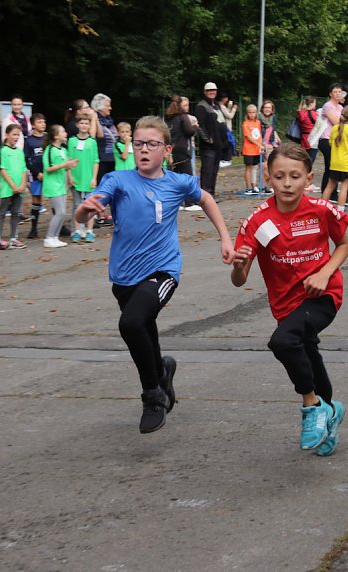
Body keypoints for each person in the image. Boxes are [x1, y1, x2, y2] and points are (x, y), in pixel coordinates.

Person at [74, 115, 235, 434]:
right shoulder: (118, 180)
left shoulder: (177, 183)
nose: (143, 149)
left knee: (132, 322)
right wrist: (85, 210)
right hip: (123, 275)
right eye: (137, 143)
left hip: (163, 271)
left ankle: (153, 396)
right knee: (142, 327)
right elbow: (85, 211)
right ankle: (161, 370)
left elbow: (205, 199)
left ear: (166, 149)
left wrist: (225, 237)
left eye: (151, 144)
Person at [230, 144, 348, 456]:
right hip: (286, 305)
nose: (287, 183)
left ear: (308, 178)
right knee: (308, 354)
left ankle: (312, 407)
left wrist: (324, 273)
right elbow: (239, 280)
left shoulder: (321, 210)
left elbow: (343, 245)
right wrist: (240, 265)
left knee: (283, 342)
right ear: (268, 177)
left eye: (295, 176)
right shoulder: (258, 222)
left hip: (322, 295)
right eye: (280, 176)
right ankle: (330, 414)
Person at [41, 124, 77, 248]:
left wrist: (70, 175)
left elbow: (66, 166)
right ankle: (49, 238)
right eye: (63, 132)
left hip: (61, 185)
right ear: (56, 136)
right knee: (60, 212)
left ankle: (55, 237)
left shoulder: (63, 150)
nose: (65, 133)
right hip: (52, 185)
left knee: (62, 212)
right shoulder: (50, 150)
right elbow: (49, 168)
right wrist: (64, 164)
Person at [0, 124, 28, 249]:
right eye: (14, 134)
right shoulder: (2, 151)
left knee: (16, 213)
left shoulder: (19, 152)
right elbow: (2, 169)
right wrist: (13, 185)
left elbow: (24, 169)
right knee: (2, 213)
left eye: (18, 135)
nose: (16, 137)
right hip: (8, 188)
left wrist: (22, 184)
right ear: (7, 135)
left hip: (19, 188)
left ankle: (13, 237)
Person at [67, 116, 100, 243]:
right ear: (77, 125)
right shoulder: (72, 141)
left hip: (88, 177)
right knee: (76, 205)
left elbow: (95, 161)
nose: (84, 125)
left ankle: (89, 230)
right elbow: (69, 159)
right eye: (82, 123)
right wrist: (70, 176)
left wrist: (94, 178)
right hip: (76, 177)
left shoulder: (92, 142)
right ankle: (77, 230)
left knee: (90, 205)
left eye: (87, 123)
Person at [194, 82, 227, 199]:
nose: (211, 92)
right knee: (207, 171)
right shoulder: (201, 107)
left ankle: (211, 194)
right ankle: (204, 196)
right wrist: (208, 140)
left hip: (218, 144)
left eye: (213, 90)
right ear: (204, 92)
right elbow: (200, 126)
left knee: (214, 170)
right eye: (209, 90)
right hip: (208, 146)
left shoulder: (216, 106)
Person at [323, 107, 348, 211]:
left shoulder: (334, 128)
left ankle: (322, 206)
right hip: (346, 163)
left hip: (334, 162)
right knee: (344, 186)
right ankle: (340, 209)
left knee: (330, 185)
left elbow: (330, 143)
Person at [318, 84, 345, 194]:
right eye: (335, 92)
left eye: (340, 91)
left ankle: (332, 191)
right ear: (330, 94)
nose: (338, 94)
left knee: (335, 166)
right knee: (329, 166)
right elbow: (336, 122)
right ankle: (326, 191)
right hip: (326, 139)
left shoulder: (340, 107)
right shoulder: (328, 106)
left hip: (337, 140)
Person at [24, 112, 47, 239]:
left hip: (49, 173)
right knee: (36, 200)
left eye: (44, 122)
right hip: (36, 174)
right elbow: (26, 160)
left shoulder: (48, 138)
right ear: (33, 125)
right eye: (39, 122)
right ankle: (33, 228)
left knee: (54, 198)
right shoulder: (29, 141)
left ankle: (60, 227)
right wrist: (36, 173)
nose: (42, 124)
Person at [242, 104, 262, 195]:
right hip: (248, 149)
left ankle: (254, 185)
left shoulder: (257, 122)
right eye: (250, 112)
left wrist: (260, 145)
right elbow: (249, 137)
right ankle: (248, 187)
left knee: (255, 167)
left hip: (256, 150)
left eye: (253, 112)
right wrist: (259, 144)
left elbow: (259, 135)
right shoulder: (245, 123)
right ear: (247, 113)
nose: (252, 114)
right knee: (248, 168)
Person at [295, 96, 318, 164]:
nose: (315, 105)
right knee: (311, 160)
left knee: (303, 159)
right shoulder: (314, 114)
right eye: (314, 103)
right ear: (311, 104)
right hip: (313, 139)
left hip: (304, 138)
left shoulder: (301, 113)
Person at [218, 93, 237, 165]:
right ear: (223, 98)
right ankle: (226, 159)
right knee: (228, 143)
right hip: (226, 128)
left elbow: (226, 114)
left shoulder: (221, 106)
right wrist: (234, 109)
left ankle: (225, 159)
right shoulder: (221, 106)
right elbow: (230, 116)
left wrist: (229, 108)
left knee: (227, 143)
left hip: (226, 127)